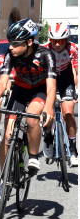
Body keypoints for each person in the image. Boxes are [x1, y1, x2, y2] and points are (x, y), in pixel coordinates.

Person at [0, 19, 56, 197]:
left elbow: (50, 86)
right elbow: (3, 80)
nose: (11, 47)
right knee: (8, 137)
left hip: (39, 91)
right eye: (10, 43)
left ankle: (33, 157)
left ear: (30, 42)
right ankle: (3, 179)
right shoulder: (11, 55)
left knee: (32, 117)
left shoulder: (46, 54)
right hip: (20, 90)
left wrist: (48, 108)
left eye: (16, 44)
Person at [42, 23, 78, 166]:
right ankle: (48, 138)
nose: (57, 44)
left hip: (66, 79)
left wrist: (77, 90)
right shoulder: (44, 49)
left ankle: (73, 150)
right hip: (49, 80)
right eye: (54, 41)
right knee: (47, 111)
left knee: (68, 113)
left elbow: (76, 72)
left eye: (61, 41)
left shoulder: (73, 49)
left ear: (67, 39)